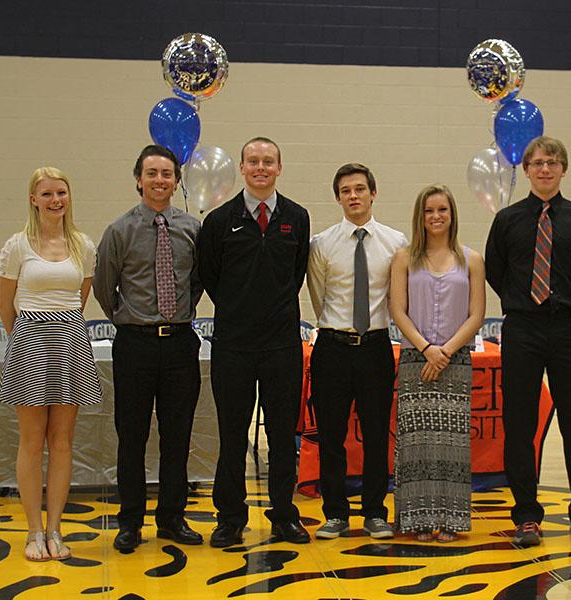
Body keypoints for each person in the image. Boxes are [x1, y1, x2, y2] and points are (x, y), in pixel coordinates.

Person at [485, 136, 571, 546]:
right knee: (521, 425)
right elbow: (495, 270)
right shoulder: (507, 220)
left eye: (553, 163)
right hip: (523, 328)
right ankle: (526, 514)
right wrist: (525, 300)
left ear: (563, 169)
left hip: (568, 328)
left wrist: (563, 294)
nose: (545, 169)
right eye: (538, 163)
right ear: (526, 170)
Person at [197, 137, 311, 547]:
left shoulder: (297, 217)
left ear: (279, 168)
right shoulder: (218, 221)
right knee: (232, 435)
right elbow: (209, 277)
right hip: (233, 345)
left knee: (282, 436)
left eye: (268, 161)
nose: (261, 167)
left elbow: (295, 276)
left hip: (281, 345)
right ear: (242, 168)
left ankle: (283, 514)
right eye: (253, 161)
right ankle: (229, 518)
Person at [93, 145, 204, 551]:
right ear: (138, 179)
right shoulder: (119, 230)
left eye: (167, 173)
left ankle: (172, 518)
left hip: (179, 345)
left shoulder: (192, 229)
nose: (160, 180)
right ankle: (130, 521)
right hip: (135, 346)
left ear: (177, 181)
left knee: (177, 436)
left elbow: (198, 282)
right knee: (132, 435)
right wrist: (131, 316)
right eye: (152, 173)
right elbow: (105, 287)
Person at [0, 167, 103, 561]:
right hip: (28, 341)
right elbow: (3, 303)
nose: (55, 199)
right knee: (32, 440)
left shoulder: (82, 245)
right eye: (47, 194)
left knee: (61, 443)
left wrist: (62, 330)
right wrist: (25, 339)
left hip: (71, 341)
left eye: (61, 192)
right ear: (33, 199)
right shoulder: (17, 245)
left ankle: (56, 528)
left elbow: (82, 297)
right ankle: (33, 531)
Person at [307, 163, 407, 540]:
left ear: (372, 193)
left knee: (377, 433)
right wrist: (336, 327)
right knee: (332, 436)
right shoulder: (322, 243)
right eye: (346, 190)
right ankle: (335, 513)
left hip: (376, 348)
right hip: (332, 347)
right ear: (338, 198)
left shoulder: (395, 242)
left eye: (360, 189)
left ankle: (375, 512)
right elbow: (318, 296)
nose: (353, 196)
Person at [389, 184, 486, 542]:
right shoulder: (404, 258)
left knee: (451, 444)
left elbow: (477, 314)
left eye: (442, 210)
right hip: (417, 359)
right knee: (417, 442)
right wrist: (427, 348)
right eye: (429, 210)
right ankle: (416, 519)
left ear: (452, 214)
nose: (436, 217)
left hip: (455, 360)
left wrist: (444, 351)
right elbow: (397, 310)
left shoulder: (471, 259)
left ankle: (450, 520)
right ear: (420, 216)